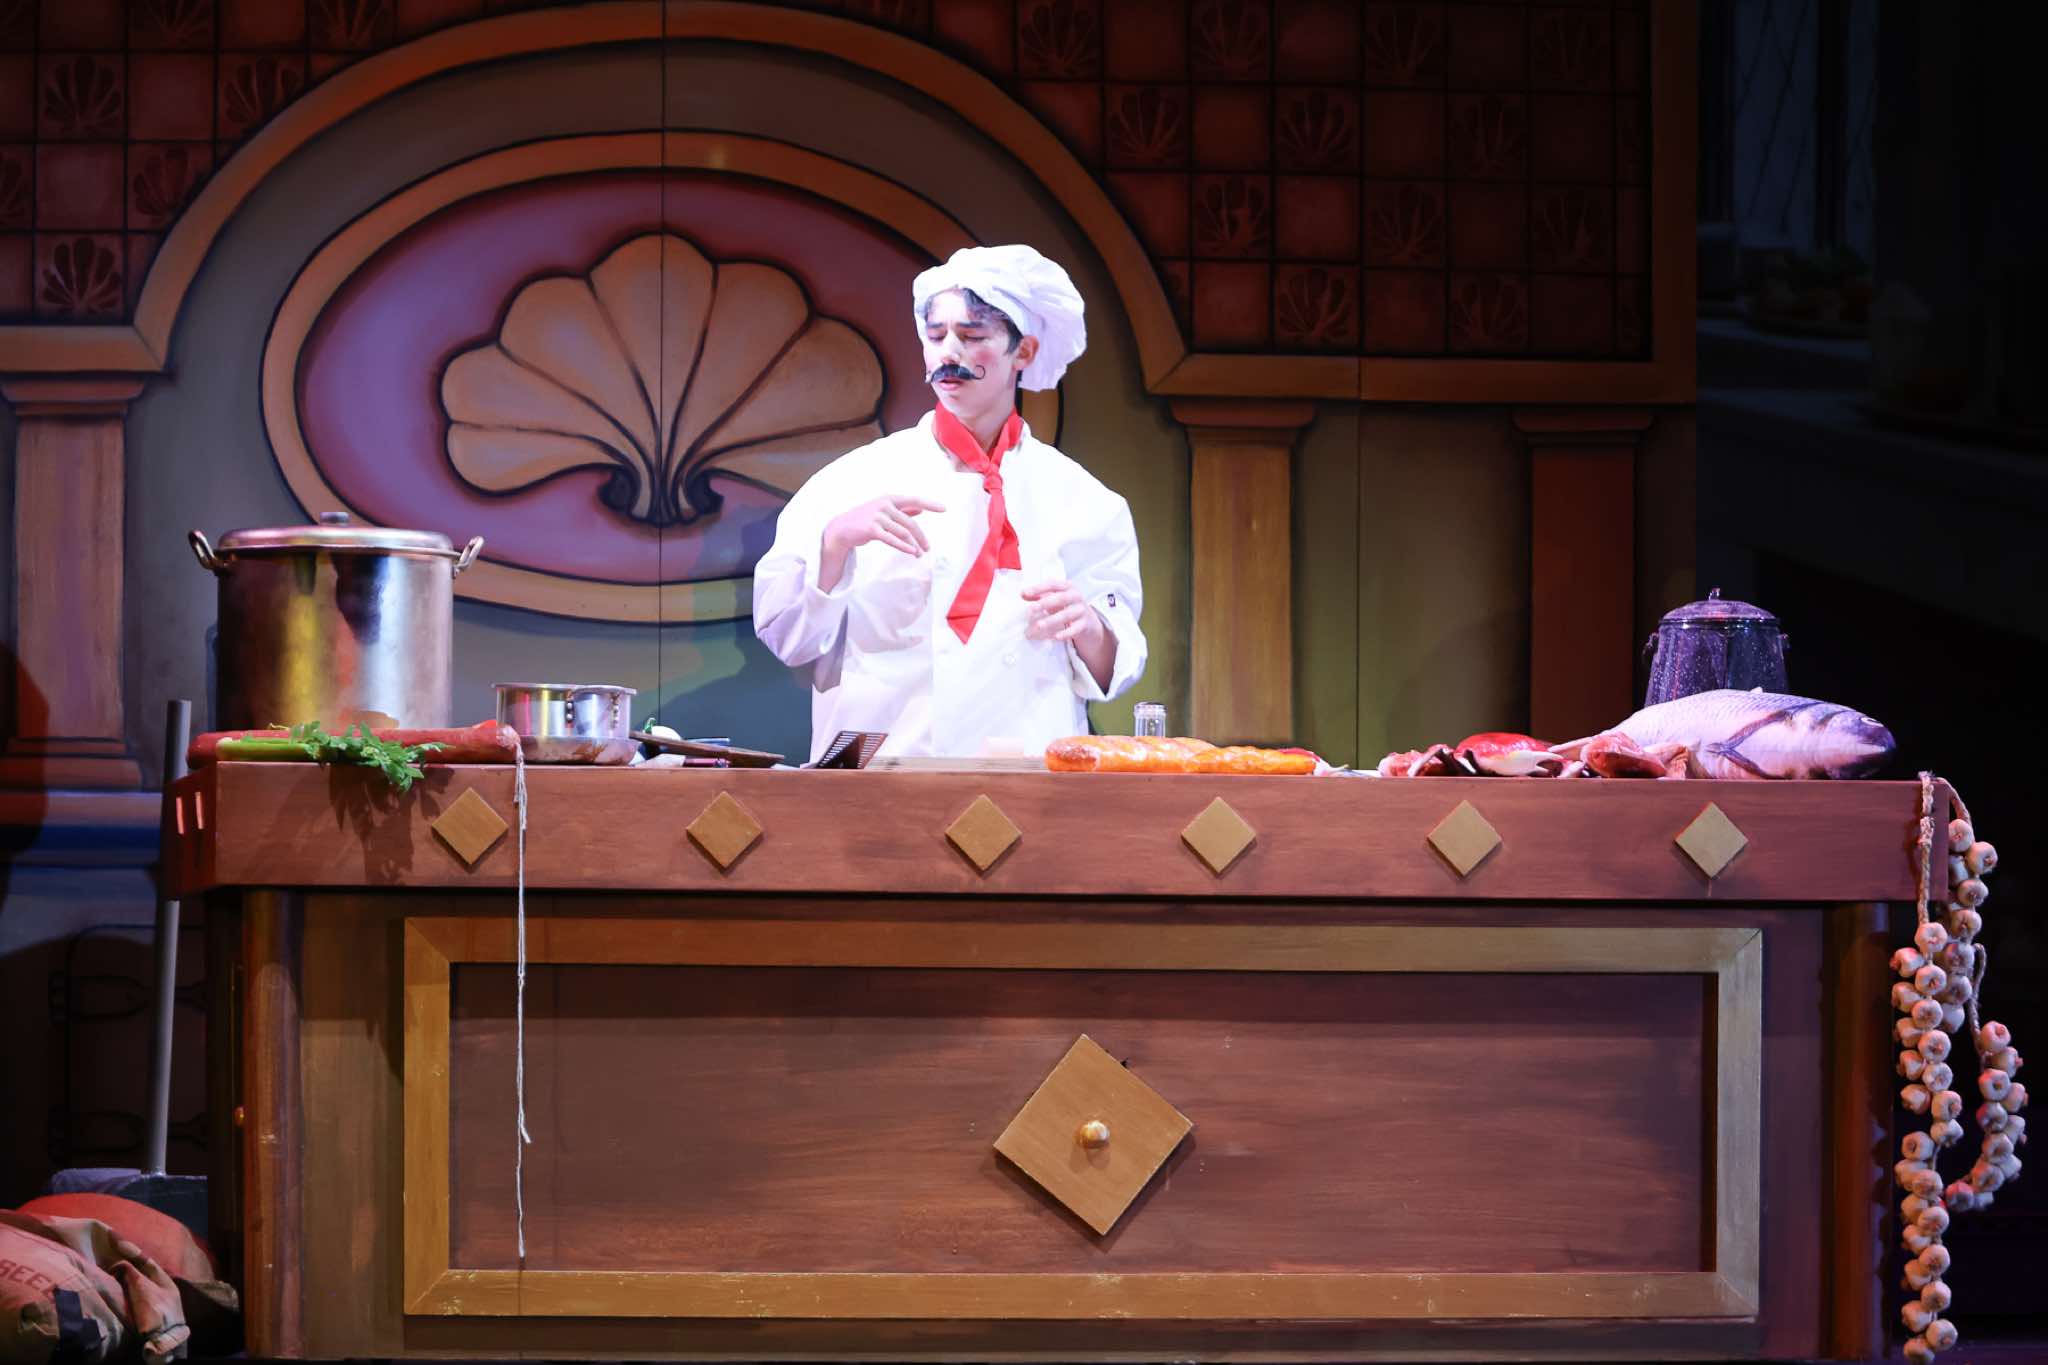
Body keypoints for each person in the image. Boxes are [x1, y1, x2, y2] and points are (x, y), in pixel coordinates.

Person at [753, 244, 1147, 760]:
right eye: (936, 336)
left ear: (1023, 352)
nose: (949, 354)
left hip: (1025, 769)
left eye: (973, 336)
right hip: (883, 766)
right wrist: (835, 543)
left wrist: (1091, 627)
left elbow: (1117, 666)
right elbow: (787, 638)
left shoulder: (1084, 500)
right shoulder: (852, 482)